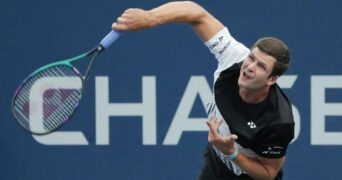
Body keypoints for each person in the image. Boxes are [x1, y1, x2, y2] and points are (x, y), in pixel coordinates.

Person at [112, 1, 294, 179]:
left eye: (261, 66)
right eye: (251, 57)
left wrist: (231, 153)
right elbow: (196, 14)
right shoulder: (234, 57)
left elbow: (268, 174)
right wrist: (150, 18)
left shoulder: (278, 122)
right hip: (216, 164)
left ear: (272, 79)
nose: (250, 67)